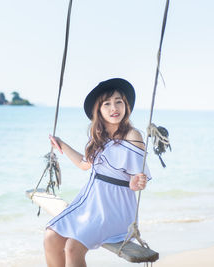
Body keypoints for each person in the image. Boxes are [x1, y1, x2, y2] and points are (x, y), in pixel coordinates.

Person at [44, 78, 151, 267]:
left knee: (72, 247)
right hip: (90, 204)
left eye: (118, 101)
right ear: (99, 110)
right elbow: (84, 164)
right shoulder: (98, 137)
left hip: (115, 209)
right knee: (50, 237)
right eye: (106, 104)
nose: (114, 108)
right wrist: (61, 144)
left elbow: (137, 177)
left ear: (125, 105)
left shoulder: (132, 135)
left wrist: (136, 182)